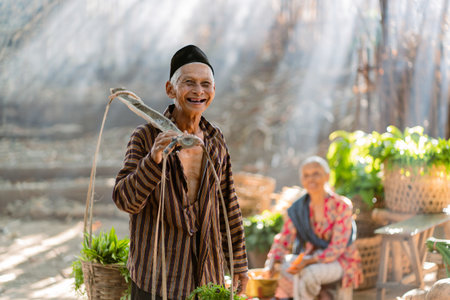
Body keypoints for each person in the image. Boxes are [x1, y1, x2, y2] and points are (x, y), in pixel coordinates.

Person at [112, 45, 248, 299]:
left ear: (214, 90)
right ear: (170, 89)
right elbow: (124, 200)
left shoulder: (215, 139)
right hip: (156, 276)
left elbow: (228, 203)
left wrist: (238, 263)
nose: (198, 91)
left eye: (206, 84)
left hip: (206, 277)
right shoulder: (145, 137)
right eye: (189, 83)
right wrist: (153, 160)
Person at [264, 156, 363, 300]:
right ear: (302, 180)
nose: (311, 179)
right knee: (284, 266)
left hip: (340, 260)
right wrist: (272, 262)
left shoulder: (341, 206)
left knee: (309, 274)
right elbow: (284, 238)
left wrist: (308, 261)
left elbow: (337, 248)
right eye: (306, 175)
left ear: (327, 176)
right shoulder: (299, 208)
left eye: (316, 173)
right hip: (311, 257)